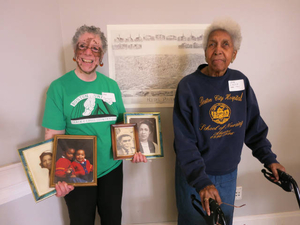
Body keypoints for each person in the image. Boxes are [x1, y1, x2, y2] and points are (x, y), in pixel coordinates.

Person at [173, 17, 286, 225]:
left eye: (225, 45)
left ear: (234, 54)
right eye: (212, 44)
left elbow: (254, 127)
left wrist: (269, 159)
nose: (218, 49)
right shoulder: (188, 87)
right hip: (194, 176)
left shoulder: (240, 81)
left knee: (224, 222)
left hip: (227, 176)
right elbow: (184, 141)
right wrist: (201, 181)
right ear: (206, 51)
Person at [42, 25, 147, 225]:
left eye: (95, 48)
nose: (88, 52)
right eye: (83, 46)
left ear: (101, 56)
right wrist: (57, 176)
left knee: (113, 219)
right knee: (81, 221)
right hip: (77, 170)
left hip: (111, 168)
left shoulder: (111, 86)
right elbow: (52, 136)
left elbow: (123, 127)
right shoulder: (58, 88)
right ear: (75, 52)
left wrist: (134, 150)